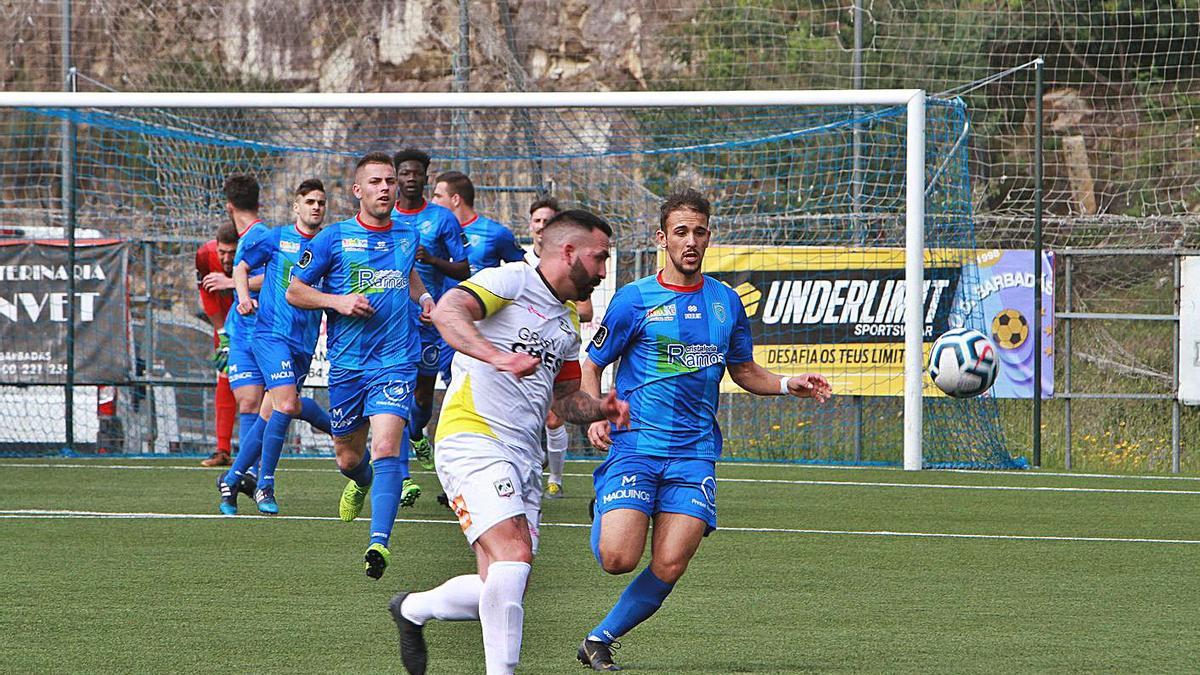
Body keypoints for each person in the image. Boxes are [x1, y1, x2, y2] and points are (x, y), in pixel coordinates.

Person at [575, 189, 832, 671]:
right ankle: (606, 501)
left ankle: (599, 639)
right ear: (662, 239)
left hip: (694, 454)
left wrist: (786, 383)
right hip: (637, 446)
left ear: (708, 237)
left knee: (670, 563)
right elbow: (592, 364)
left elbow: (744, 370)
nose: (690, 241)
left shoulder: (725, 302)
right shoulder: (634, 300)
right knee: (617, 559)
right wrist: (596, 413)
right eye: (680, 232)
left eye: (698, 232)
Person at [388, 209, 629, 675]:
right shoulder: (512, 279)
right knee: (513, 554)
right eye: (599, 259)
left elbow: (565, 398)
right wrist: (495, 355)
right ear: (569, 252)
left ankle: (412, 608)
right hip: (472, 437)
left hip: (524, 456)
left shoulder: (564, 322)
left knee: (503, 580)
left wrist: (601, 408)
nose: (602, 272)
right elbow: (450, 311)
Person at [287, 152, 436, 579]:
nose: (386, 188)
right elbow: (296, 291)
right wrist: (337, 301)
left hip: (395, 360)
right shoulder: (332, 240)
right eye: (375, 182)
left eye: (390, 181)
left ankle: (379, 543)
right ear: (358, 191)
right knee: (348, 457)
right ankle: (362, 479)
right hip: (348, 365)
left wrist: (423, 299)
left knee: (388, 445)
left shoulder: (408, 235)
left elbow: (408, 276)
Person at [215, 179, 334, 515]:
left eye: (321, 203)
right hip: (271, 335)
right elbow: (241, 266)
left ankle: (232, 477)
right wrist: (241, 298)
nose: (315, 207)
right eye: (309, 201)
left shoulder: (329, 243)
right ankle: (264, 483)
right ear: (296, 206)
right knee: (285, 403)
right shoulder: (276, 237)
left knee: (272, 413)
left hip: (304, 342)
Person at [393, 149, 470, 479]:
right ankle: (399, 477)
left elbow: (464, 269)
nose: (410, 179)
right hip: (393, 323)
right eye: (404, 173)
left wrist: (431, 260)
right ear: (396, 177)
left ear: (425, 177)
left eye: (416, 173)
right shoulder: (384, 218)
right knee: (395, 391)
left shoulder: (442, 219)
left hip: (430, 320)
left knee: (424, 394)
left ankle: (415, 433)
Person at [525, 197, 592, 498]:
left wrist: (560, 297)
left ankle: (555, 478)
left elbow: (587, 310)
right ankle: (525, 466)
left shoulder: (570, 263)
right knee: (524, 412)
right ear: (530, 226)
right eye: (537, 221)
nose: (542, 227)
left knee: (555, 416)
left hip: (561, 346)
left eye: (548, 221)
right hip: (527, 344)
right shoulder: (519, 264)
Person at [219, 175, 270, 491]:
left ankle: (251, 471)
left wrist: (236, 287)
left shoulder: (260, 236)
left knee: (284, 405)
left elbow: (277, 278)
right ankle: (248, 474)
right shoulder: (245, 237)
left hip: (265, 333)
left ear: (229, 207)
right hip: (242, 335)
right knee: (249, 403)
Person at [194, 222, 239, 468]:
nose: (226, 258)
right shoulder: (204, 255)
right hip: (224, 325)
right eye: (222, 252)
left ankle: (259, 448)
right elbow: (207, 294)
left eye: (232, 253)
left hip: (254, 322)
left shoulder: (254, 254)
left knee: (262, 388)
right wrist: (223, 334)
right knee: (225, 376)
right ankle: (222, 449)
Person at [432, 171, 525, 275]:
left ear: (455, 199)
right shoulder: (433, 232)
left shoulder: (495, 233)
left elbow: (524, 272)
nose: (433, 202)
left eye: (438, 196)